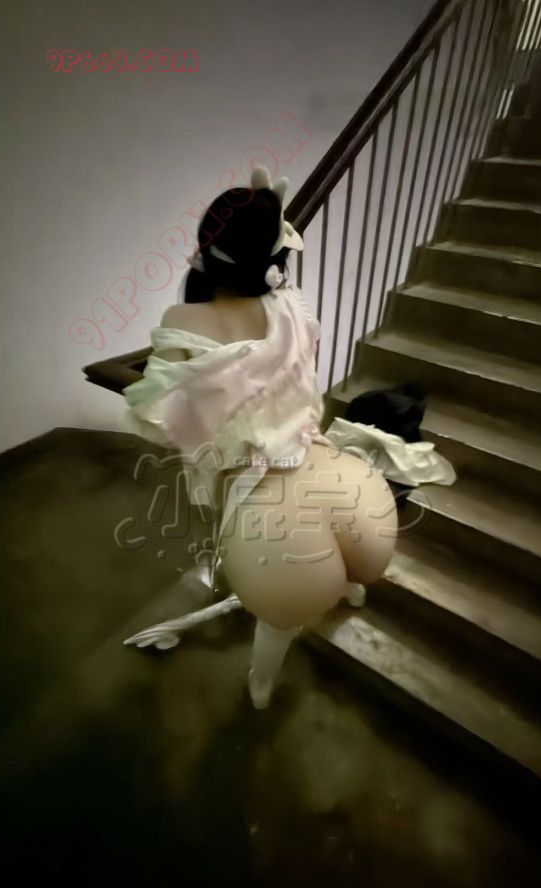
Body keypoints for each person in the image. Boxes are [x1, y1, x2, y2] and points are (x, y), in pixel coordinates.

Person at [123, 165, 400, 709]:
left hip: (266, 505)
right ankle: (350, 582)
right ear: (276, 261)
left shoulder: (182, 318)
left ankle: (262, 680)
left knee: (282, 613)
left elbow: (157, 418)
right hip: (345, 479)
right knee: (348, 563)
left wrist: (211, 405)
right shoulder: (291, 303)